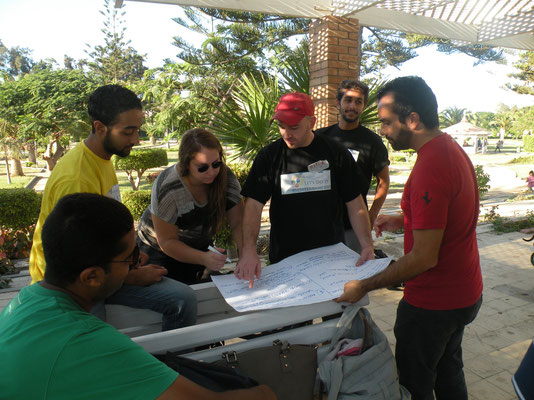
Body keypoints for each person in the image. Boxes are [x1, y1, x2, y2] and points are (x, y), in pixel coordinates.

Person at [0, 193, 275, 400]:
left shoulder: (26, 300)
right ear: (92, 277)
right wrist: (266, 393)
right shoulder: (90, 342)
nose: (140, 258)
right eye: (129, 257)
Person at [336, 76, 483, 400]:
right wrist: (405, 220)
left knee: (414, 385)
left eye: (387, 122)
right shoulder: (449, 149)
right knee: (448, 373)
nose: (384, 131)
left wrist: (364, 285)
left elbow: (423, 258)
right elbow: (448, 216)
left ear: (412, 119)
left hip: (433, 304)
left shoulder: (431, 166)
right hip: (464, 294)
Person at [28, 85, 196, 331]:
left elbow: (102, 233)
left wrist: (131, 259)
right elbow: (79, 261)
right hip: (72, 286)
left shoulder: (102, 157)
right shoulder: (76, 178)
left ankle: (170, 364)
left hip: (105, 266)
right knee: (96, 342)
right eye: (128, 132)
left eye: (137, 130)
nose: (136, 140)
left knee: (184, 298)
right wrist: (130, 275)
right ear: (99, 127)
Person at [235, 92, 375, 288]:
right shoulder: (269, 156)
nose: (286, 134)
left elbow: (354, 202)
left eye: (293, 127)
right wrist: (249, 250)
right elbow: (253, 205)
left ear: (312, 122)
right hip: (286, 258)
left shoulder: (336, 153)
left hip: (331, 255)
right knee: (296, 318)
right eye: (281, 126)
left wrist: (367, 244)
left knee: (335, 315)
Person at [137, 128, 244, 285]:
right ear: (186, 164)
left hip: (198, 246)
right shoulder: (168, 188)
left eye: (216, 164)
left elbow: (239, 223)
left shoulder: (225, 177)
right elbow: (166, 242)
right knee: (181, 298)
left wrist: (245, 255)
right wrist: (203, 258)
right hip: (157, 252)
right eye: (202, 167)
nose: (212, 172)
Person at [315, 80, 390, 253]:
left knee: (353, 277)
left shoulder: (372, 142)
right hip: (321, 224)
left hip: (354, 227)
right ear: (338, 103)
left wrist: (371, 216)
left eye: (358, 102)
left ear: (363, 106)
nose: (353, 106)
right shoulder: (320, 137)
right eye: (348, 100)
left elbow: (384, 182)